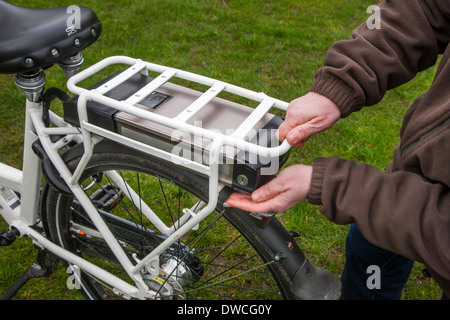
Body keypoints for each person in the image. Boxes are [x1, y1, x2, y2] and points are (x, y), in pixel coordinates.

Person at [226, 0, 449, 299]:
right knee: (372, 245)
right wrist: (338, 86)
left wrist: (326, 184)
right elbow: (425, 9)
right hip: (418, 165)